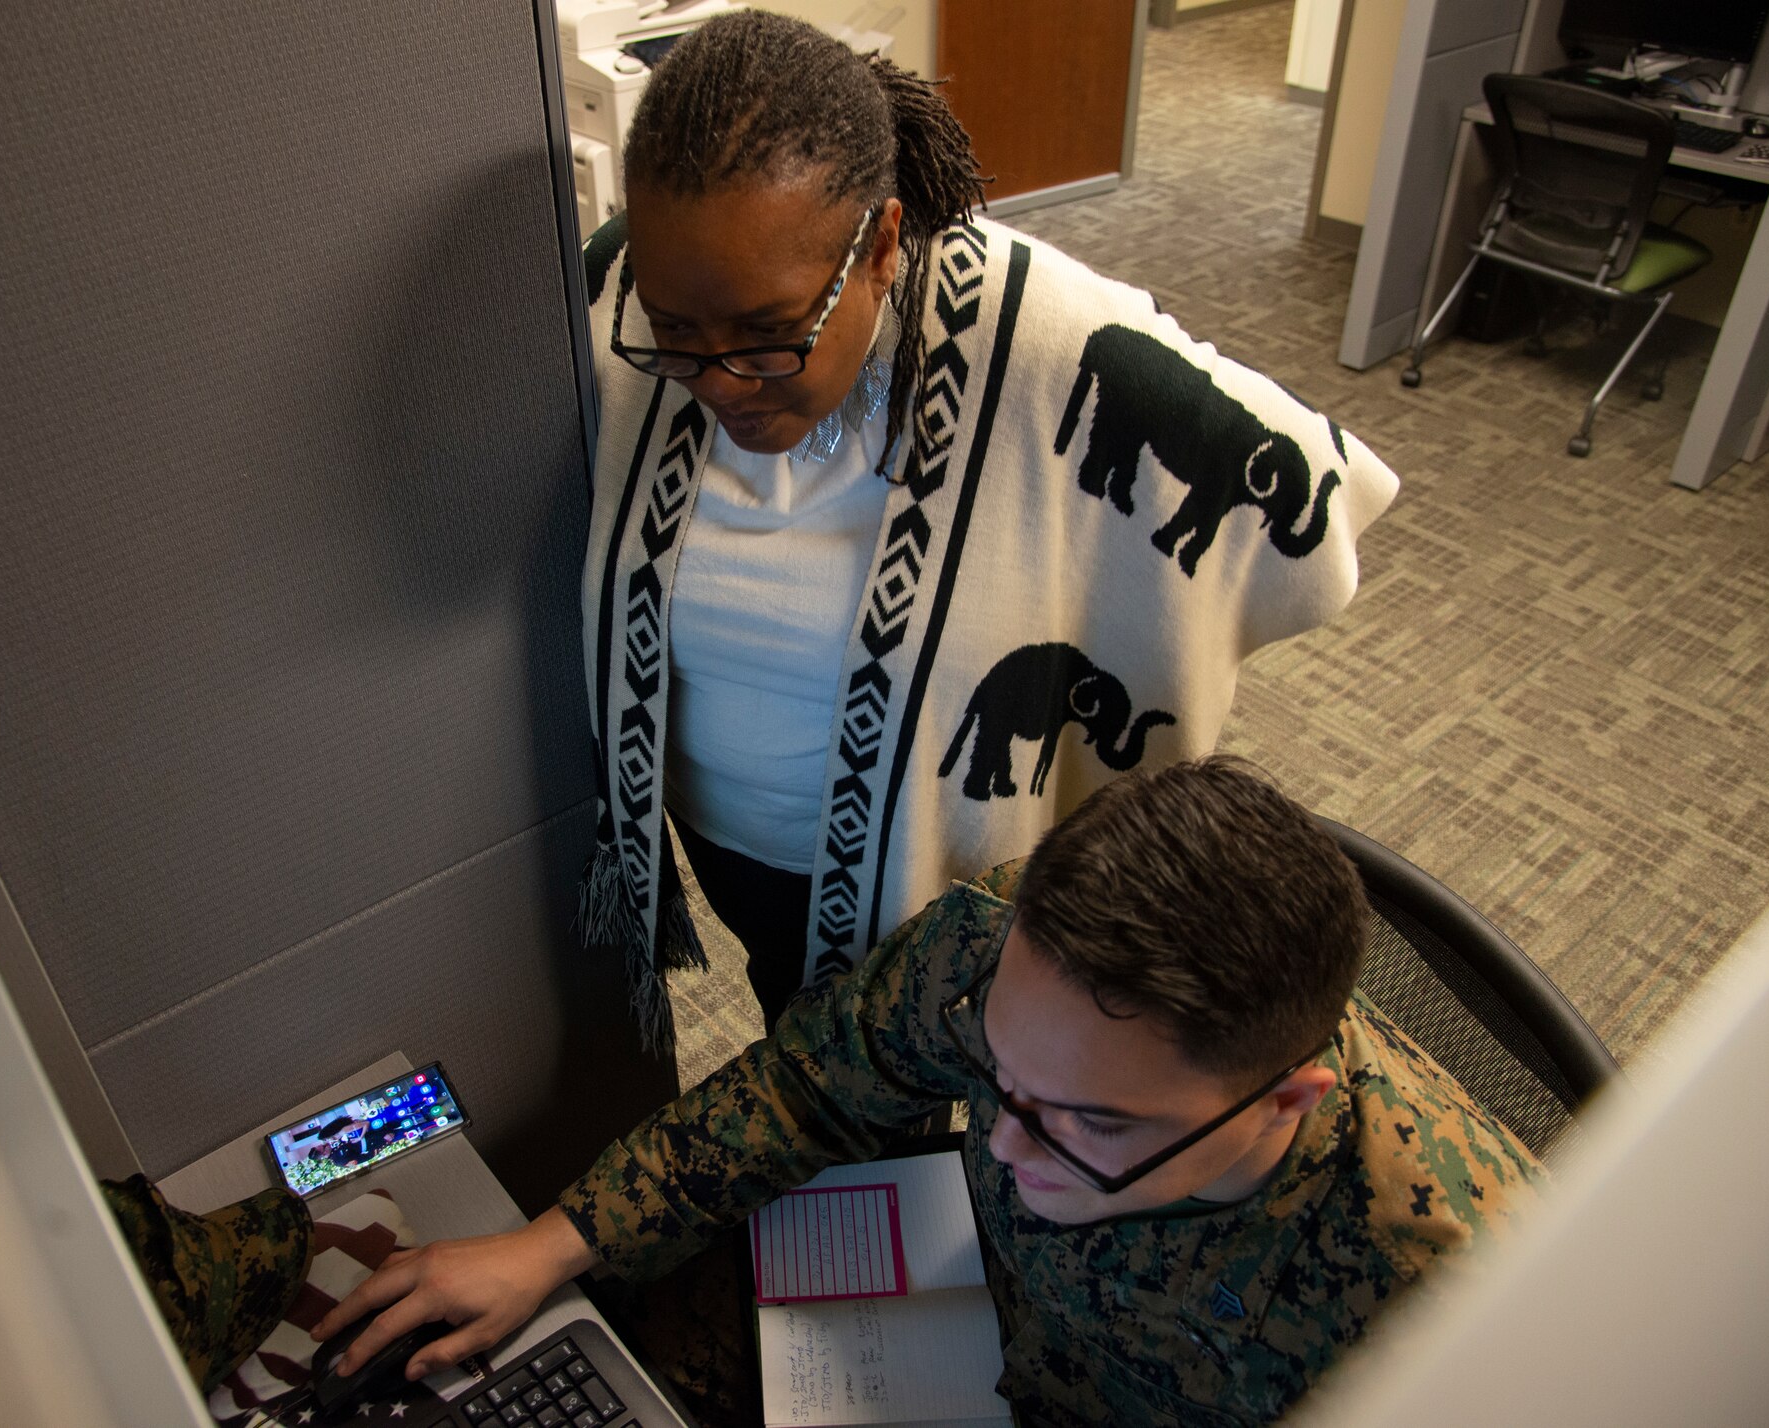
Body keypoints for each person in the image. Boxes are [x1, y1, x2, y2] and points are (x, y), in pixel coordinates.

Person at [571, 10, 1402, 1045]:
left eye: (770, 336)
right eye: (678, 336)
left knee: (973, 1104)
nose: (720, 381)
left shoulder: (1038, 335)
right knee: (807, 1059)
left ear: (877, 246)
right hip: (732, 856)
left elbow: (1316, 518)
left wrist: (1125, 589)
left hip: (954, 902)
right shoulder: (620, 289)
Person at [314, 758, 1546, 1426]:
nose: (1003, 1147)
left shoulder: (1460, 1305)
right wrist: (550, 1244)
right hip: (977, 1347)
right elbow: (811, 1089)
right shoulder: (1017, 941)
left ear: (1284, 1103)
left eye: (1085, 1124)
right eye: (998, 1080)